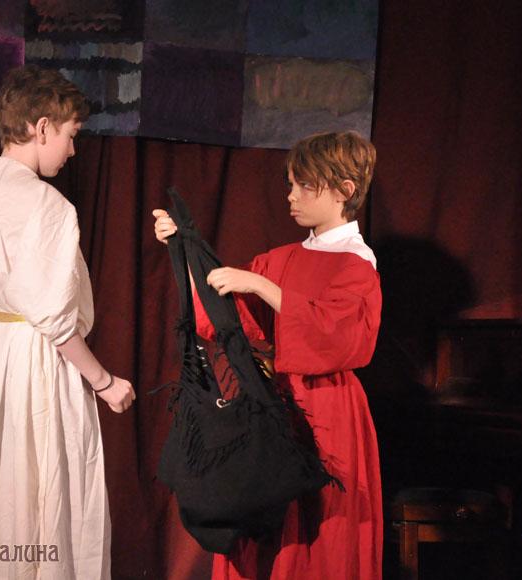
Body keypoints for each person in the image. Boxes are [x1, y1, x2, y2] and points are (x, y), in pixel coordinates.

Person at [0, 65, 135, 580]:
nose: (72, 150)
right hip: (36, 366)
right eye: (70, 135)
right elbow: (56, 323)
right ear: (42, 128)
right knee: (40, 496)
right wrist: (104, 382)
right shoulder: (47, 206)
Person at [153, 131, 382, 579]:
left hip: (327, 410)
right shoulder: (282, 257)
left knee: (317, 530)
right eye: (290, 184)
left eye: (304, 185)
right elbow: (225, 315)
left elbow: (338, 338)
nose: (291, 196)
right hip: (273, 401)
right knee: (263, 522)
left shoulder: (356, 263)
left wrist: (261, 286)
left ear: (344, 190)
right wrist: (182, 249)